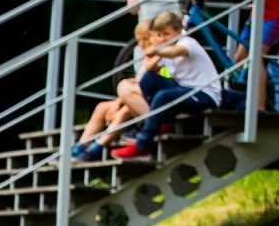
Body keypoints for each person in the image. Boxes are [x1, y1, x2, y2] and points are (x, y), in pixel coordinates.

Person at [113, 10, 221, 159]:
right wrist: (154, 50)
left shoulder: (187, 42)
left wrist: (157, 50)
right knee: (148, 80)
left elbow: (177, 52)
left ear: (178, 31)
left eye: (166, 34)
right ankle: (162, 122)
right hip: (184, 90)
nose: (163, 38)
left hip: (204, 94)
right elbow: (150, 69)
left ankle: (142, 145)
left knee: (163, 96)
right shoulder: (165, 49)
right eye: (159, 35)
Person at [75, 21, 154, 162]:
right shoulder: (147, 59)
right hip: (138, 98)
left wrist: (120, 104)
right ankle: (81, 146)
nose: (141, 44)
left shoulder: (160, 58)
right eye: (139, 40)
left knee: (124, 112)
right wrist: (117, 103)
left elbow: (148, 86)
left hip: (149, 103)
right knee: (102, 107)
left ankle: (96, 148)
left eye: (145, 39)